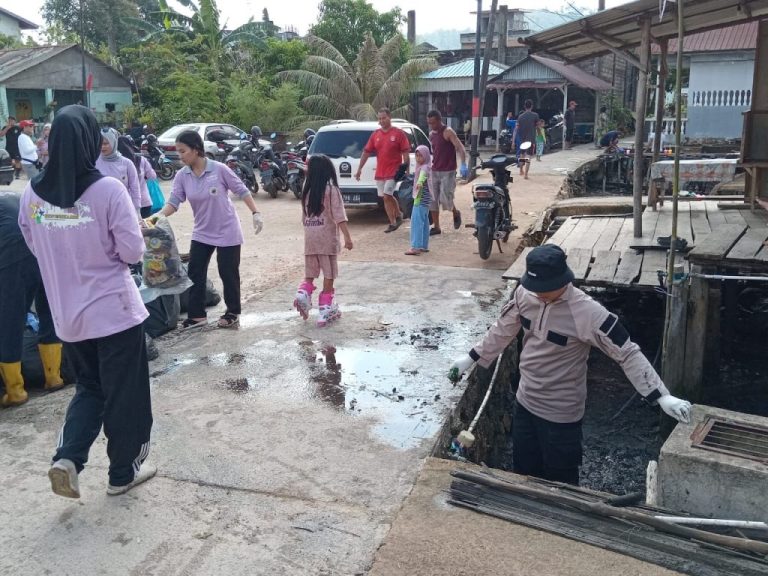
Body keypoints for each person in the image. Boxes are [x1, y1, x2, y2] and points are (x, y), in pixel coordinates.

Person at [450, 244, 692, 486]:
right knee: (523, 471)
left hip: (561, 415)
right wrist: (471, 357)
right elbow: (502, 329)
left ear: (563, 280)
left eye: (544, 289)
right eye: (535, 288)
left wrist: (661, 396)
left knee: (561, 481)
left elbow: (627, 352)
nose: (538, 294)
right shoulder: (525, 294)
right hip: (525, 403)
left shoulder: (587, 312)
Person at [17, 104, 155, 498]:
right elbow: (132, 252)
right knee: (125, 393)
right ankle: (122, 473)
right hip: (114, 313)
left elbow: (35, 244)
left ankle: (68, 457)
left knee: (90, 389)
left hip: (69, 317)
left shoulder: (32, 195)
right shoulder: (107, 190)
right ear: (92, 141)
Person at [156, 130, 263, 329]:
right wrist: (158, 216)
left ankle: (232, 312)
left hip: (227, 229)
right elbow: (174, 202)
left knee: (228, 272)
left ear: (196, 150)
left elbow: (242, 190)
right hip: (202, 231)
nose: (180, 156)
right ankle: (197, 316)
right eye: (178, 152)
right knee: (195, 271)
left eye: (183, 151)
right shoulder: (182, 175)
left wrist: (255, 213)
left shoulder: (219, 169)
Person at [0, 192, 65, 407]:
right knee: (49, 309)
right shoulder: (17, 196)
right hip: (45, 244)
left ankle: (15, 391)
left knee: (10, 319)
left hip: (13, 253)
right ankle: (53, 377)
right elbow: (47, 217)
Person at [293, 154, 353, 326]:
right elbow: (339, 215)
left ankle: (304, 291)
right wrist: (347, 237)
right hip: (326, 238)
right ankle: (325, 307)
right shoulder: (331, 190)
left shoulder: (307, 190)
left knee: (311, 271)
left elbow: (304, 217)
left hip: (310, 237)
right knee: (329, 272)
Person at [355, 107, 410, 233]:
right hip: (380, 172)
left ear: (389, 117)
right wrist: (359, 169)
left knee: (386, 195)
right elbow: (366, 152)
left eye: (384, 118)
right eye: (379, 119)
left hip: (394, 171)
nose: (382, 121)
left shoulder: (398, 133)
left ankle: (393, 222)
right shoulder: (375, 135)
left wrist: (406, 168)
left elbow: (405, 152)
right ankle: (398, 216)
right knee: (386, 196)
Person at [426, 110, 467, 235]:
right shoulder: (431, 134)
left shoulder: (448, 132)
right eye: (429, 123)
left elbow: (460, 147)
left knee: (446, 199)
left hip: (448, 171)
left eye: (433, 123)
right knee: (433, 200)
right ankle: (437, 227)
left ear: (439, 120)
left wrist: (463, 164)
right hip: (434, 170)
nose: (431, 126)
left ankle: (455, 212)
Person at [96, 128, 141, 215]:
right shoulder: (94, 163)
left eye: (105, 143)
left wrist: (137, 211)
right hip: (100, 210)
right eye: (100, 143)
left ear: (113, 142)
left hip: (122, 209)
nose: (102, 147)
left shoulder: (127, 163)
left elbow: (135, 189)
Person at [117, 136, 155, 218]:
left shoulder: (117, 163)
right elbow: (152, 176)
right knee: (145, 229)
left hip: (125, 204)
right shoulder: (141, 159)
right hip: (144, 202)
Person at [405, 145, 432, 256]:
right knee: (424, 222)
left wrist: (419, 183)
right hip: (426, 201)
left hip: (420, 199)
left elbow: (422, 176)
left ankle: (415, 247)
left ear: (425, 156)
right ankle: (423, 245)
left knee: (416, 222)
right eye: (416, 155)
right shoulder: (426, 166)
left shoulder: (424, 168)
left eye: (421, 156)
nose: (418, 158)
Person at [512, 100, 539, 180]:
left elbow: (516, 129)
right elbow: (537, 127)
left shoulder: (520, 117)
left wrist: (513, 141)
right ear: (532, 106)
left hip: (522, 139)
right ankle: (526, 174)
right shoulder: (535, 115)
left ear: (525, 106)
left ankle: (521, 170)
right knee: (528, 156)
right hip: (531, 139)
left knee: (522, 155)